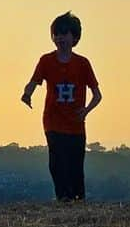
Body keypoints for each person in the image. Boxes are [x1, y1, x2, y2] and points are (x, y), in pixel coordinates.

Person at [21, 12, 102, 201]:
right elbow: (33, 82)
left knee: (75, 164)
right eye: (56, 34)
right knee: (56, 161)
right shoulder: (46, 61)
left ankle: (78, 198)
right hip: (53, 121)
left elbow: (97, 95)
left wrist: (86, 110)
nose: (59, 38)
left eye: (64, 34)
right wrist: (27, 94)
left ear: (75, 37)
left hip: (76, 124)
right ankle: (63, 197)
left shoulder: (83, 64)